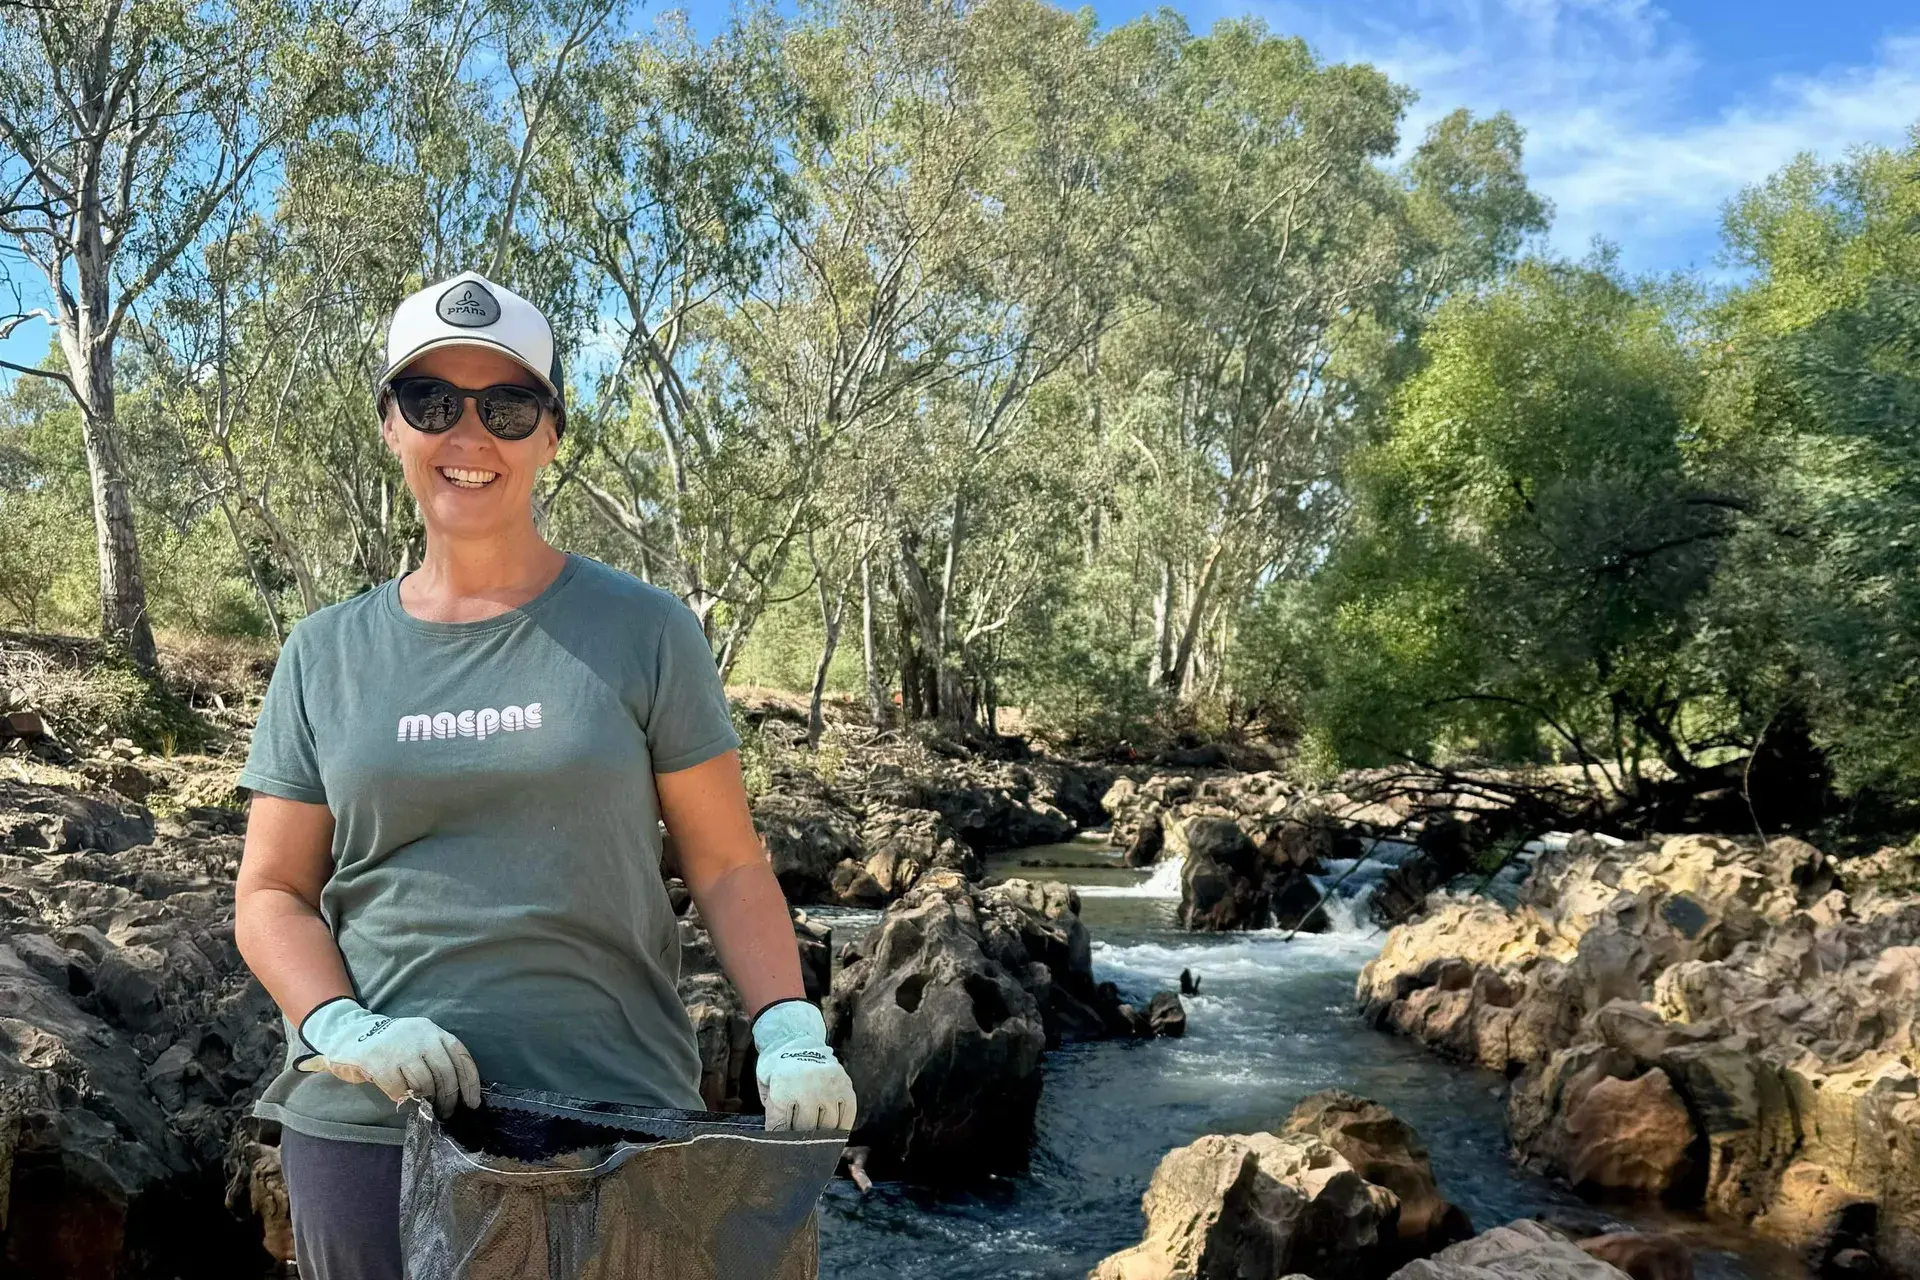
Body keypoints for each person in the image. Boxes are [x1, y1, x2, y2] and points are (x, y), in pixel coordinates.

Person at [233, 270, 857, 1280]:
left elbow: (729, 864)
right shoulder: (322, 653)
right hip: (374, 1131)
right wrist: (342, 1024)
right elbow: (271, 893)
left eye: (508, 407)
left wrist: (788, 1027)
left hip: (619, 1126)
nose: (469, 433)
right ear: (391, 425)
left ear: (552, 435)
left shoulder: (648, 631)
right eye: (432, 401)